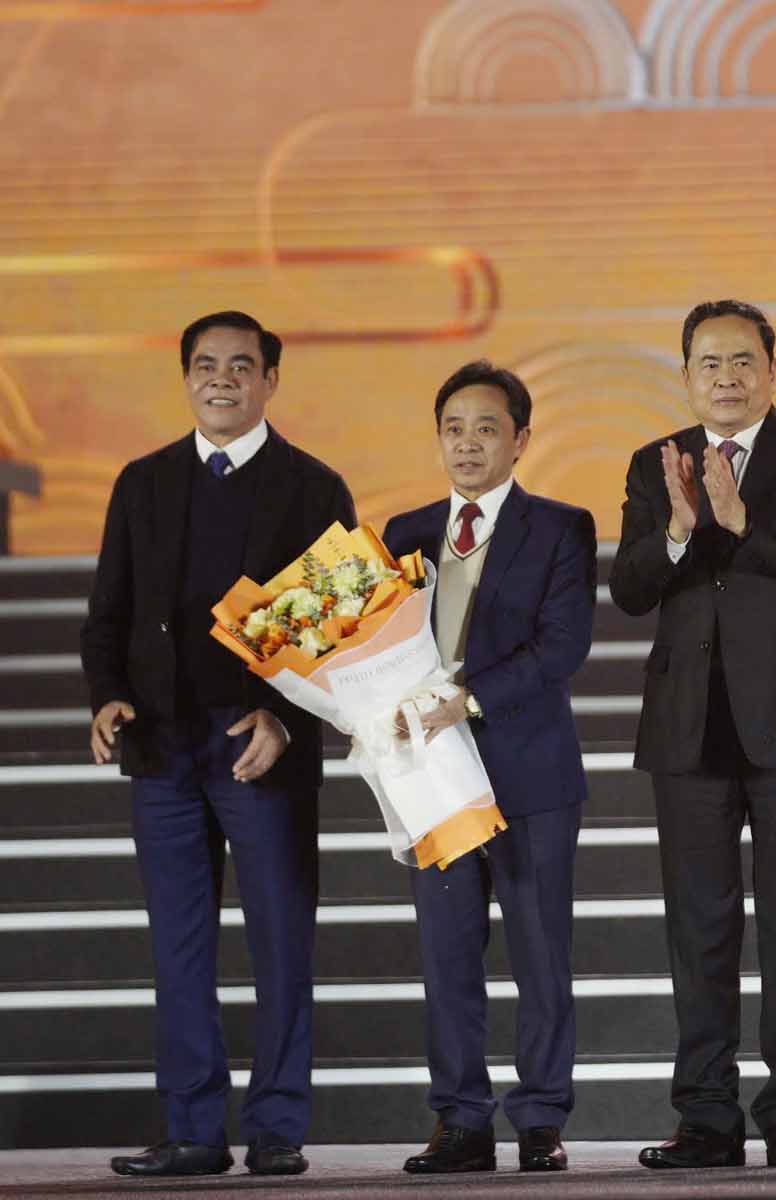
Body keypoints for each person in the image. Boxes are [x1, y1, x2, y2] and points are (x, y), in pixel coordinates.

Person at [81, 310, 355, 1178]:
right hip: (162, 751)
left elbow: (342, 635)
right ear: (186, 378)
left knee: (280, 942)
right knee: (180, 948)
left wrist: (287, 720)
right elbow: (106, 617)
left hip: (259, 751)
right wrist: (109, 697)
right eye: (206, 365)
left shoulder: (314, 487)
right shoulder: (142, 481)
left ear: (272, 379)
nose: (223, 380)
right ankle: (194, 1131)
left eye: (242, 366)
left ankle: (277, 1129)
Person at [609, 300, 776, 1171]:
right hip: (689, 729)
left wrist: (745, 520)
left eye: (741, 361)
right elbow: (632, 590)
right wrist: (682, 527)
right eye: (708, 363)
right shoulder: (656, 464)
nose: (726, 377)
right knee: (700, 930)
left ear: (771, 368)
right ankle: (706, 1117)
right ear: (686, 375)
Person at [381, 361, 597, 1175]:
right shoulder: (402, 535)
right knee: (447, 953)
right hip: (432, 778)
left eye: (485, 429)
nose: (467, 444)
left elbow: (563, 646)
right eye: (453, 428)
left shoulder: (560, 527)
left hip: (529, 771)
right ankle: (460, 1122)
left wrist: (466, 700)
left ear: (521, 440)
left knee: (541, 952)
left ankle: (540, 1119)